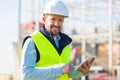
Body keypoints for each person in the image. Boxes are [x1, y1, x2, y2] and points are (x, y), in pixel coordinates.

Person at [21, 0, 94, 80]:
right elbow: (27, 74)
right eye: (53, 19)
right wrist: (59, 71)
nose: (56, 24)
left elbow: (65, 72)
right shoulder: (33, 41)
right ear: (44, 20)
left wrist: (80, 71)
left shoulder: (65, 43)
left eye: (60, 20)